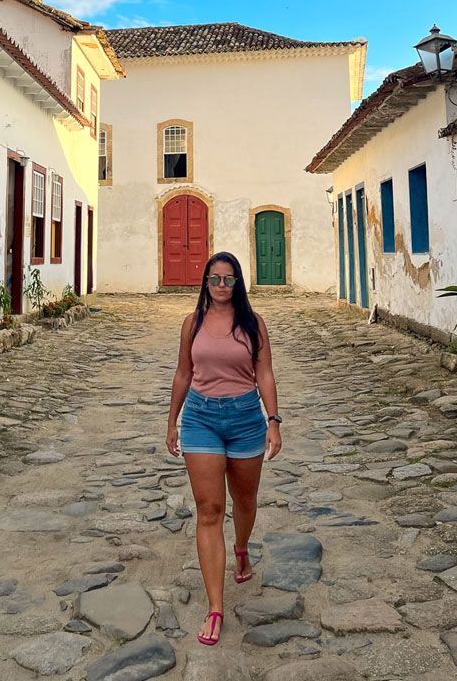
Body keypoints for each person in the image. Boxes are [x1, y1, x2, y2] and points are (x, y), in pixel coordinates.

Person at [166, 251, 282, 646]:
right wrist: (172, 421)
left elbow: (264, 373)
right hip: (201, 419)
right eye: (214, 279)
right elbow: (184, 372)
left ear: (238, 284)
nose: (220, 286)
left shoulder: (253, 325)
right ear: (205, 282)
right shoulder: (192, 324)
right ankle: (215, 607)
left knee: (244, 501)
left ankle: (242, 548)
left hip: (246, 418)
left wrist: (273, 421)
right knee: (210, 510)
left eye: (228, 280)